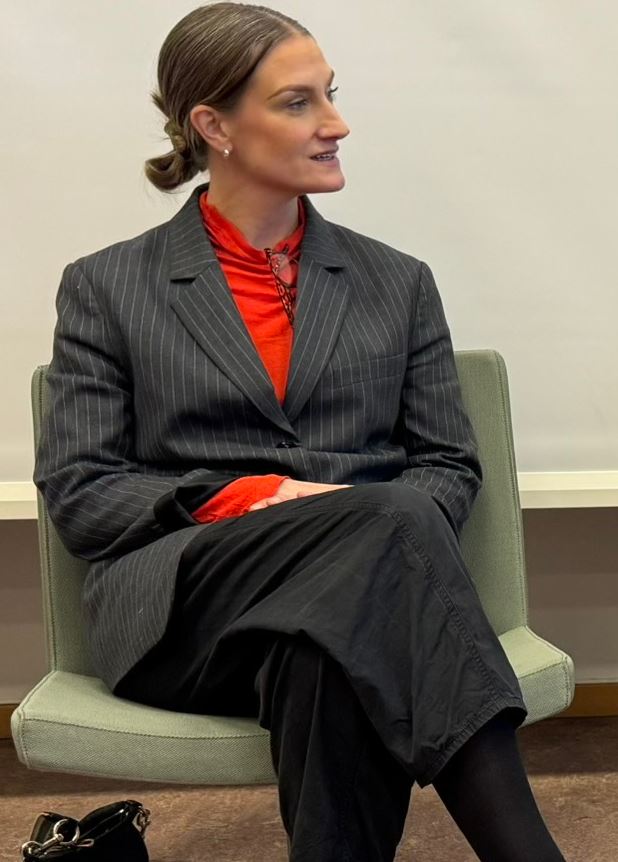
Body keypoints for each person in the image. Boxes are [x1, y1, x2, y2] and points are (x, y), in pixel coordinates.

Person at [34, 3, 567, 860]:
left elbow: (447, 465)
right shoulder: (108, 286)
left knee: (328, 650)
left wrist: (356, 535)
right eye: (297, 102)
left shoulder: (397, 281)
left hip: (354, 602)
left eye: (331, 95)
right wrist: (264, 498)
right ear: (215, 126)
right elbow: (83, 494)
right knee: (386, 519)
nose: (336, 124)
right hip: (185, 613)